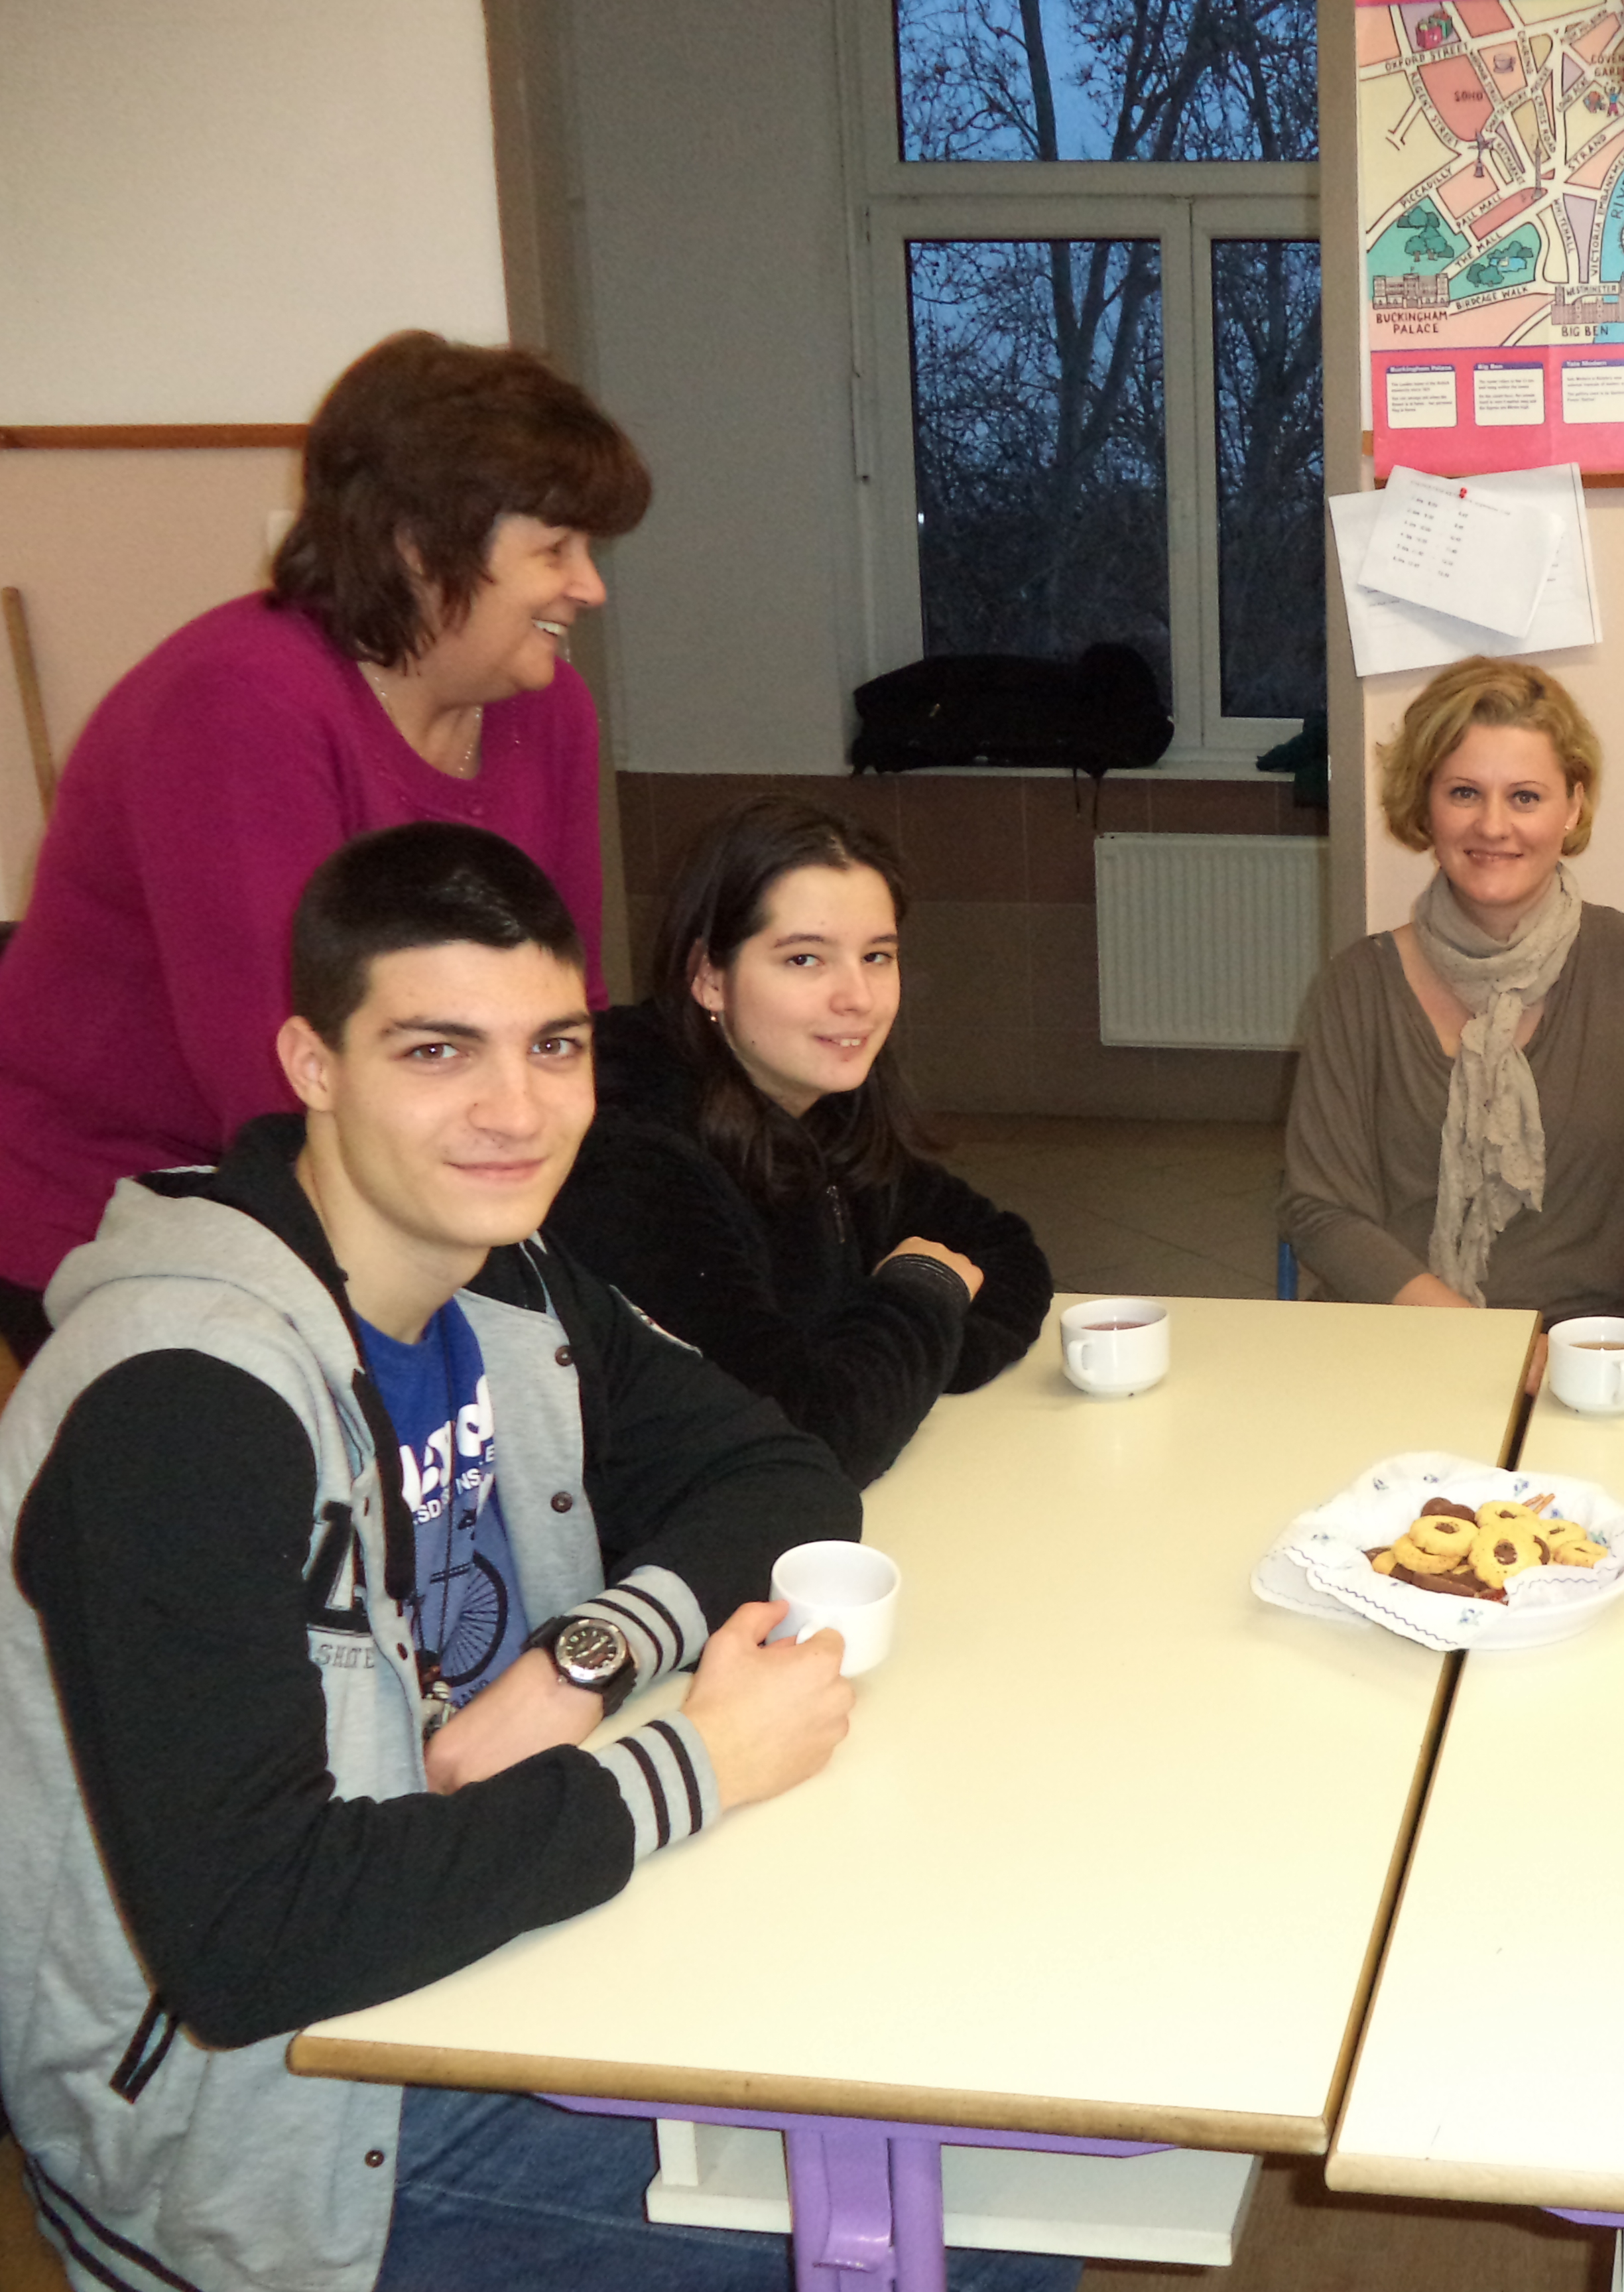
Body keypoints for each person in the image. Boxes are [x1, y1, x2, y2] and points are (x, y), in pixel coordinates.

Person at [0, 825, 1077, 2289]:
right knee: (984, 2237)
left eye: (553, 1047)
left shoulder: (506, 1278)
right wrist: (692, 1764)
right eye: (438, 1051)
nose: (516, 1111)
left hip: (486, 1931)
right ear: (314, 1066)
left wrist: (587, 1660)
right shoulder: (182, 1400)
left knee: (942, 2038)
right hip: (287, 2114)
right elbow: (253, 1939)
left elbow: (784, 1470)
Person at [0, 330, 647, 1364]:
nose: (589, 587)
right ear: (420, 546)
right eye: (555, 551)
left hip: (409, 1191)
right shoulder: (237, 705)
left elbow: (565, 1010)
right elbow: (273, 1086)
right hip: (134, 1212)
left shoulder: (547, 706)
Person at [545, 797, 1053, 1486]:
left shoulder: (813, 1102)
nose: (858, 998)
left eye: (877, 956)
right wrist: (924, 1295)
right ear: (709, 977)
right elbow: (808, 1439)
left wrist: (899, 1369)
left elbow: (1006, 1252)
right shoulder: (628, 1158)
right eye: (806, 959)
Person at [1280, 656, 1624, 1322]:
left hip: (1578, 1350)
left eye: (1525, 797)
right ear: (1425, 804)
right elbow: (1320, 1210)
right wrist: (1485, 1346)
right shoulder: (1357, 987)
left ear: (1573, 806)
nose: (1492, 826)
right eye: (1464, 793)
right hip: (1391, 1337)